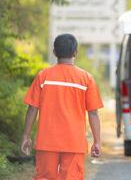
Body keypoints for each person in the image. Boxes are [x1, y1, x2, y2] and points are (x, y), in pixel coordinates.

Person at [21, 34, 103, 180]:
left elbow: (32, 108)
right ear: (75, 52)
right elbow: (93, 113)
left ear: (54, 52)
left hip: (47, 141)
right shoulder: (86, 78)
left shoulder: (43, 76)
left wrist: (26, 136)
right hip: (74, 142)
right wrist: (97, 141)